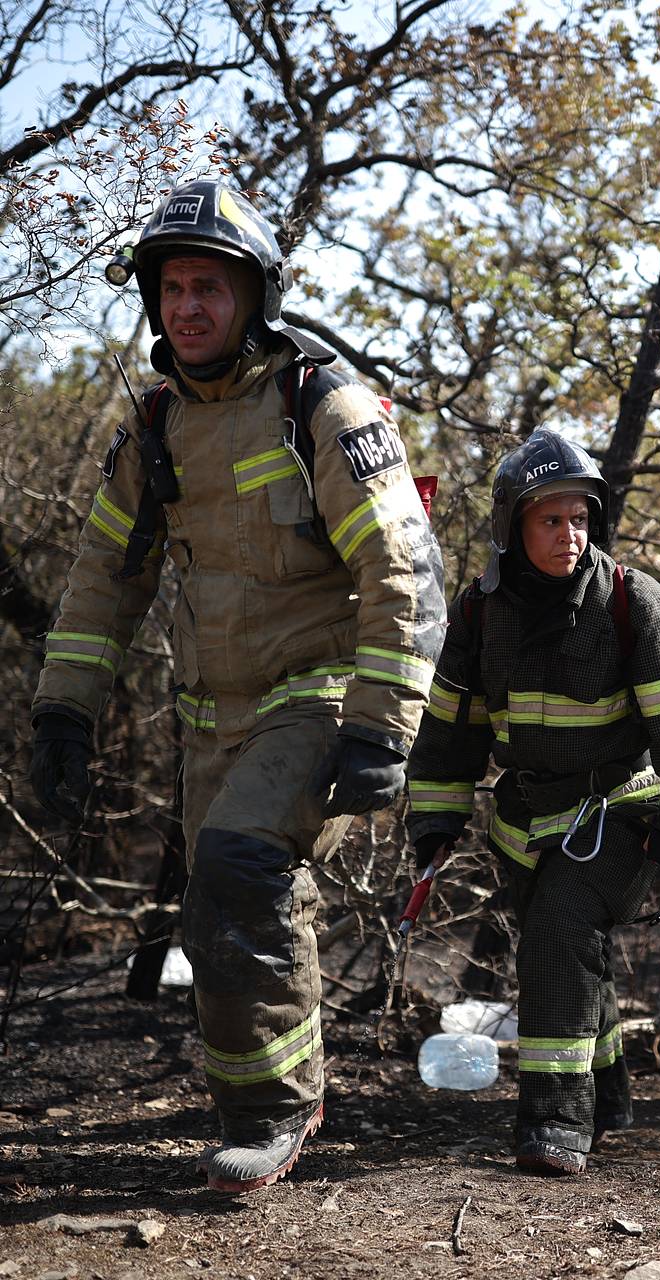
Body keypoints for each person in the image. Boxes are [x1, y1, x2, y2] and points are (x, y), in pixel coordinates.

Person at [28, 180, 446, 1192]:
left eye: (208, 286)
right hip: (213, 719)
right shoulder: (157, 424)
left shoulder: (321, 402)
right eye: (171, 288)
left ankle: (275, 1109)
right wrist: (62, 708)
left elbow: (404, 568)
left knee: (238, 857)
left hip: (321, 693)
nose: (187, 307)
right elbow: (101, 578)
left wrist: (380, 727)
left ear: (254, 294)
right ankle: (256, 1107)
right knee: (221, 905)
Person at [405, 428, 660, 1177]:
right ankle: (610, 1093)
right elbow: (448, 733)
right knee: (570, 955)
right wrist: (435, 821)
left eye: (580, 518)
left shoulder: (633, 602)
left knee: (557, 931)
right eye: (550, 520)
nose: (569, 535)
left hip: (622, 812)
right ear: (513, 528)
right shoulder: (482, 614)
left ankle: (556, 1120)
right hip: (526, 825)